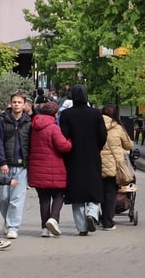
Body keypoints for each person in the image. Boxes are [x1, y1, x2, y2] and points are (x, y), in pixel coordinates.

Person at [58, 85, 106, 236]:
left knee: (77, 192)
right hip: (92, 155)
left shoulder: (66, 114)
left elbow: (63, 135)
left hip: (73, 157)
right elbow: (103, 135)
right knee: (94, 187)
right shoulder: (95, 114)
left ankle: (82, 227)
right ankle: (92, 212)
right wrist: (96, 147)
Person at [27, 101, 71, 237]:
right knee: (59, 195)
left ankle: (44, 228)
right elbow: (63, 146)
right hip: (54, 167)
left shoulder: (34, 127)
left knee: (44, 199)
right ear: (56, 113)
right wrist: (70, 141)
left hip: (37, 168)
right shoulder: (53, 127)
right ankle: (53, 219)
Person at [0, 90, 31, 239]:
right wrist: (2, 161)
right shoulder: (2, 120)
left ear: (24, 104)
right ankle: (7, 221)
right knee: (3, 197)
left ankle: (12, 226)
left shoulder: (28, 122)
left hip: (21, 166)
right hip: (4, 165)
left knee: (17, 198)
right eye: (14, 102)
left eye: (19, 102)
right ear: (11, 103)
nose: (16, 104)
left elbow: (30, 143)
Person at [98, 104, 132, 230]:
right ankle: (107, 221)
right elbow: (128, 145)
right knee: (111, 192)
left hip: (98, 163)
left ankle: (99, 216)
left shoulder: (95, 125)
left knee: (101, 191)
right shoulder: (118, 127)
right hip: (114, 165)